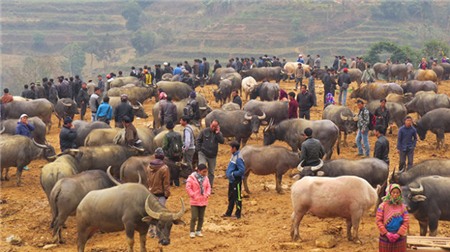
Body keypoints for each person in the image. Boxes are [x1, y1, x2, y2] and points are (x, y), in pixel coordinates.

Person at [376, 184, 409, 252]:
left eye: (397, 193)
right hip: (386, 237)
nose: (395, 195)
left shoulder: (403, 207)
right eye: (393, 192)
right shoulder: (382, 206)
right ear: (389, 193)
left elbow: (406, 221)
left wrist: (398, 234)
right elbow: (378, 221)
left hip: (399, 237)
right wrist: (386, 233)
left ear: (400, 194)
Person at [146, 147, 170, 238]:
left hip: (151, 194)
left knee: (152, 213)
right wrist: (166, 194)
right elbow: (166, 183)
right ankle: (157, 232)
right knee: (160, 214)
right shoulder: (164, 168)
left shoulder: (149, 166)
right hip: (161, 195)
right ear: (163, 157)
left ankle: (150, 231)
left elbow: (148, 180)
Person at [196, 119, 224, 189]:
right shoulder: (204, 131)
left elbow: (222, 141)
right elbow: (198, 140)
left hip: (212, 156)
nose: (213, 127)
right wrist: (199, 150)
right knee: (201, 168)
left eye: (215, 126)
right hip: (203, 153)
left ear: (217, 127)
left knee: (211, 172)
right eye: (212, 126)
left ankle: (209, 187)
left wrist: (218, 133)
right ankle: (199, 185)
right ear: (210, 124)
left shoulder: (218, 134)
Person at [186, 163, 211, 238]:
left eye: (206, 172)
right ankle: (192, 231)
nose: (205, 173)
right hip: (195, 201)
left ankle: (198, 230)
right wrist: (193, 195)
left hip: (203, 200)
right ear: (199, 171)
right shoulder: (191, 178)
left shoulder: (206, 178)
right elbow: (188, 188)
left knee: (201, 217)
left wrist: (207, 194)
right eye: (203, 172)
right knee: (194, 217)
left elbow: (208, 187)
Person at [223, 141, 245, 219]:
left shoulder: (238, 158)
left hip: (236, 181)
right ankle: (228, 212)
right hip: (232, 181)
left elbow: (242, 170)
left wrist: (233, 174)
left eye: (231, 147)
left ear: (234, 148)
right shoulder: (234, 155)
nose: (230, 149)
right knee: (231, 197)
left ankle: (237, 214)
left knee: (237, 197)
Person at [162, 120, 183, 186]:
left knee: (169, 168)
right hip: (178, 154)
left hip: (169, 155)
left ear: (167, 127)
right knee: (177, 168)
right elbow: (181, 144)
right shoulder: (178, 135)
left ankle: (170, 182)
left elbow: (165, 146)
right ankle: (177, 183)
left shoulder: (166, 136)